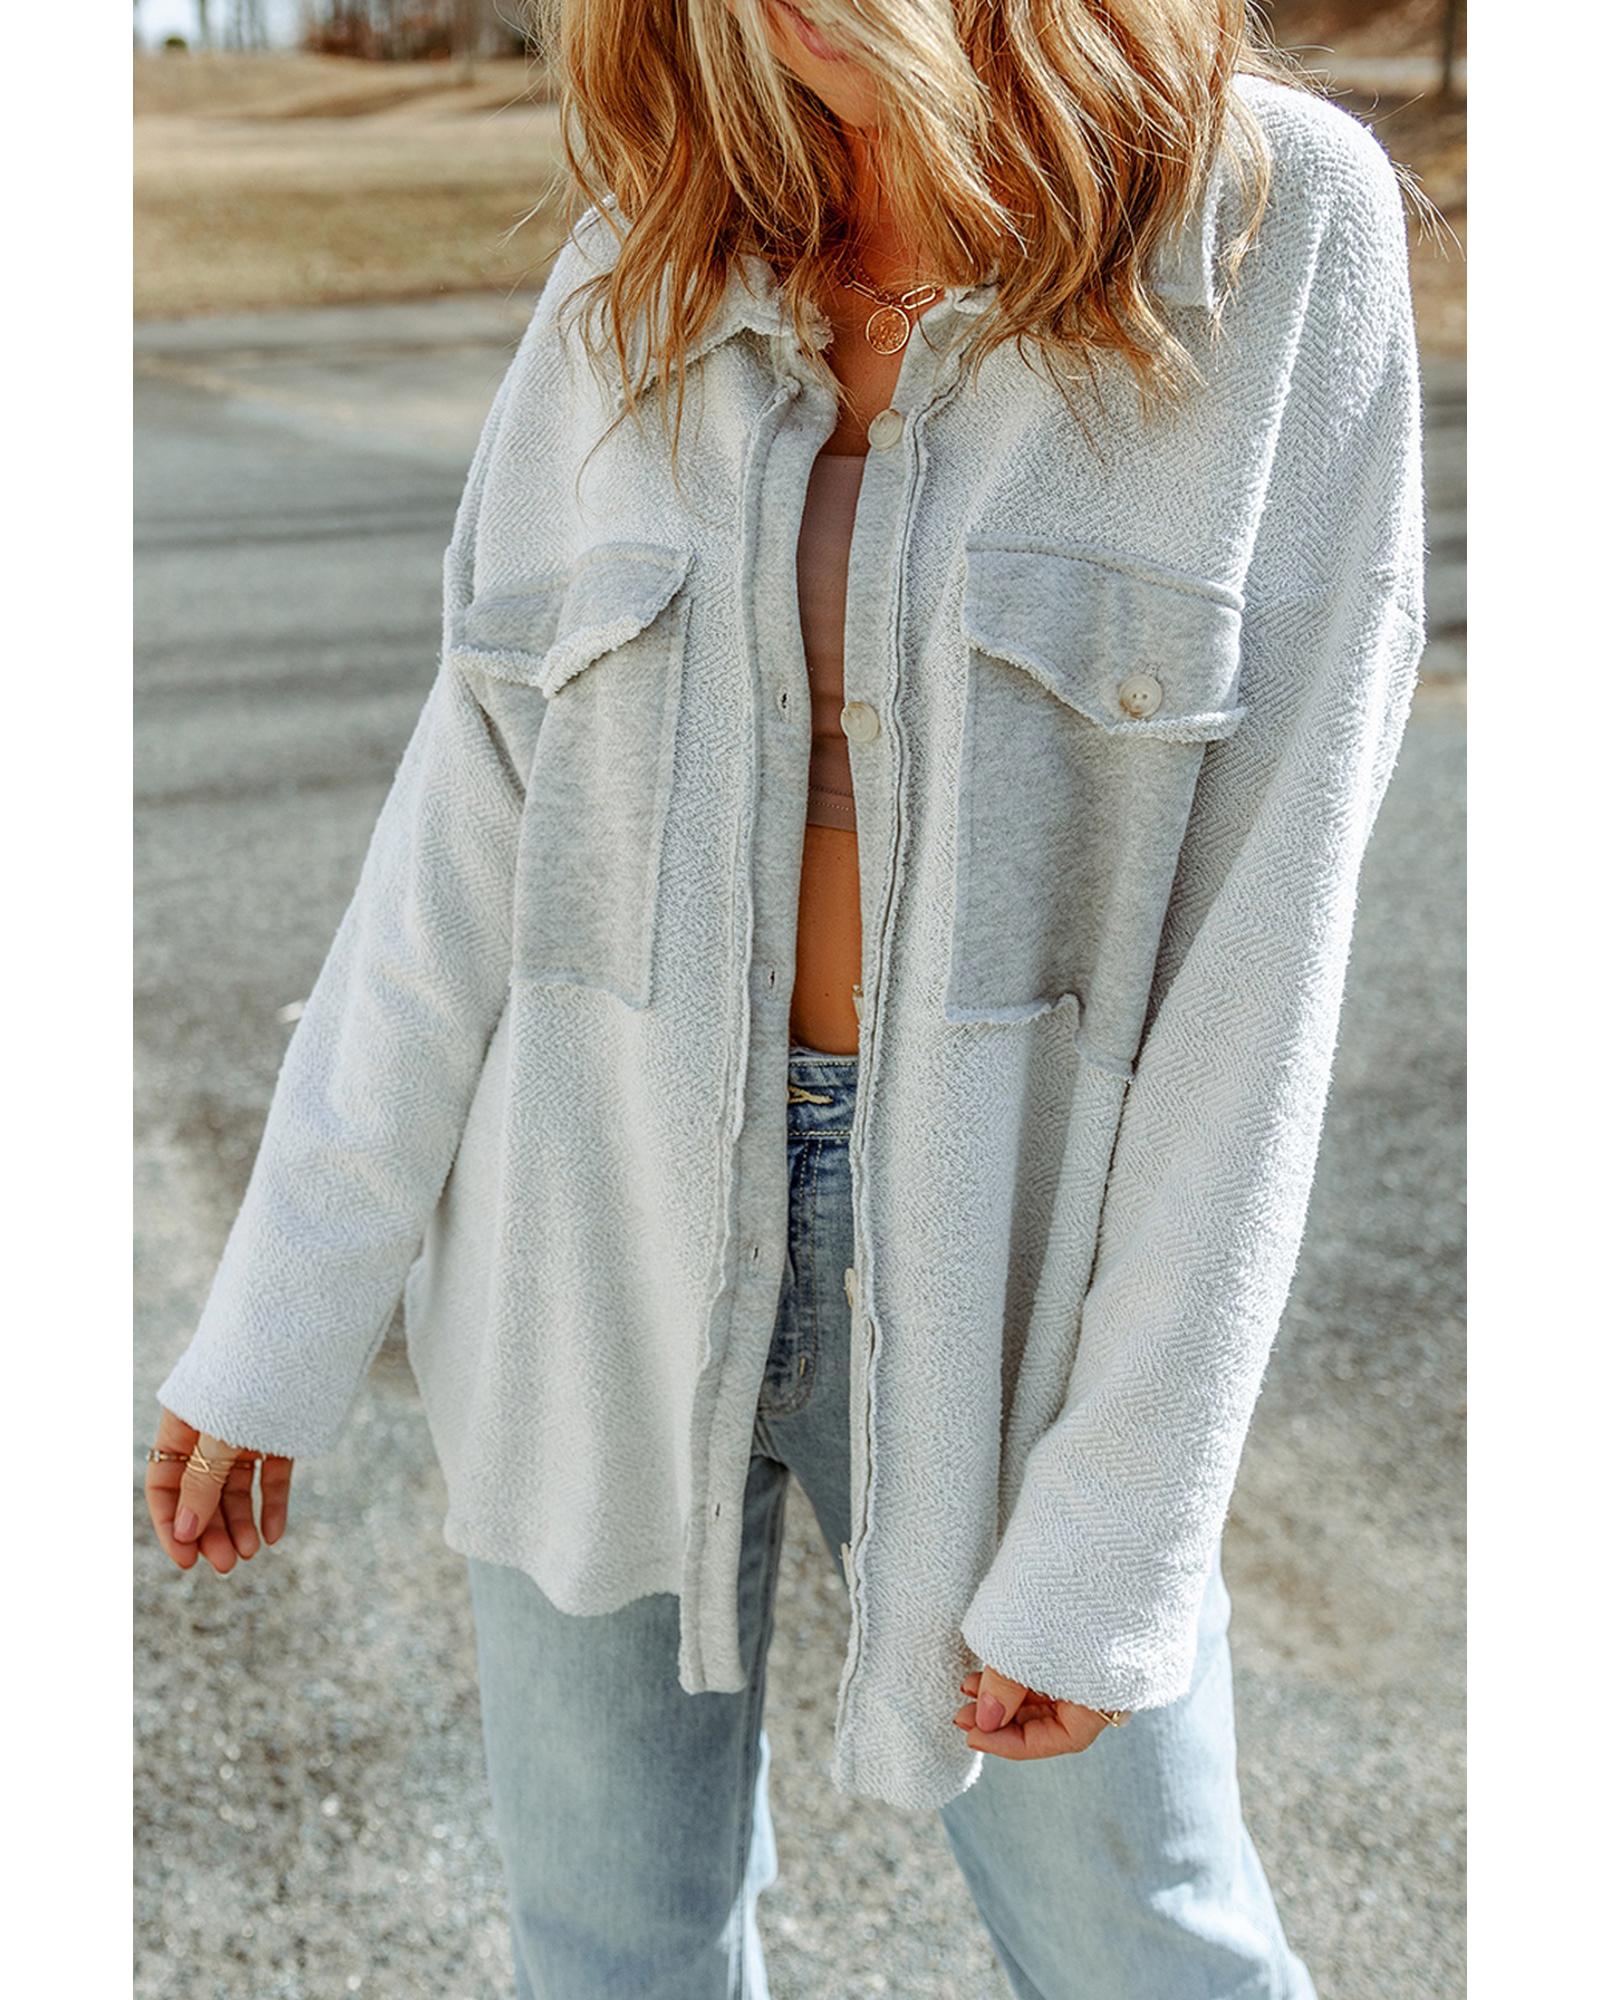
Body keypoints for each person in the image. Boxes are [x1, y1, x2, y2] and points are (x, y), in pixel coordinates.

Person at [144, 3, 1428, 1994]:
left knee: (1150, 1947)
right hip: (588, 1244)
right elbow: (466, 820)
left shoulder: (1265, 227)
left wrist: (1121, 1528)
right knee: (611, 1953)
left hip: (1012, 1277)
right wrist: (273, 1322)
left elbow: (1264, 949)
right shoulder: (649, 244)